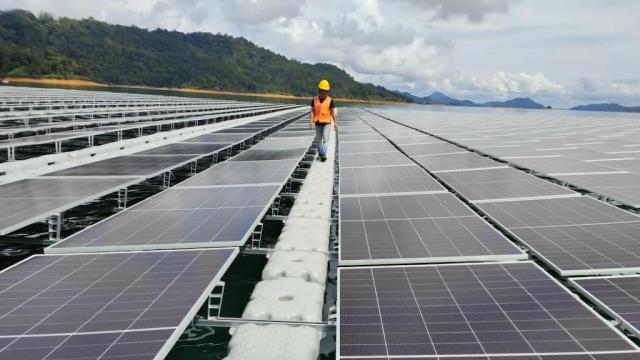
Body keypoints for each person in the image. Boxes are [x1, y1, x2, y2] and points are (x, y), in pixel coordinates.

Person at [309, 79, 338, 162]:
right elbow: (312, 111)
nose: (323, 93)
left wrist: (335, 122)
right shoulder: (314, 99)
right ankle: (321, 154)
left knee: (325, 138)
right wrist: (311, 121)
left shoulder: (330, 100)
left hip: (327, 123)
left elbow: (332, 112)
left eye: (325, 91)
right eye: (322, 91)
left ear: (327, 91)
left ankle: (323, 154)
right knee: (319, 139)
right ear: (319, 90)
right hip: (318, 123)